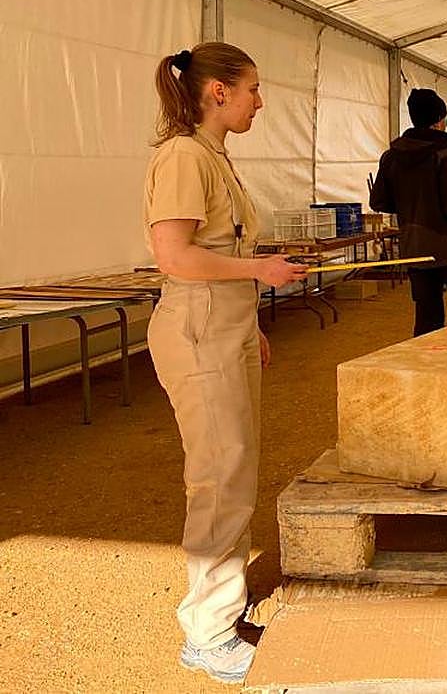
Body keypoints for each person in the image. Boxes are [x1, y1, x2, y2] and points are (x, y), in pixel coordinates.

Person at [144, 43, 308, 684]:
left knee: (235, 468)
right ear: (218, 91)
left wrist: (250, 318)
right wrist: (258, 273)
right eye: (252, 90)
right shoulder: (184, 156)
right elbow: (175, 256)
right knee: (218, 476)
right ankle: (207, 635)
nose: (259, 102)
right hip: (197, 330)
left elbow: (218, 249)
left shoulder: (212, 156)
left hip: (223, 325)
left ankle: (223, 613)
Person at [370, 89, 447, 336]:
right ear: (440, 120)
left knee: (427, 319)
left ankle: (426, 372)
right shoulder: (445, 155)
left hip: (416, 249)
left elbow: (379, 202)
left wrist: (412, 205)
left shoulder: (390, 157)